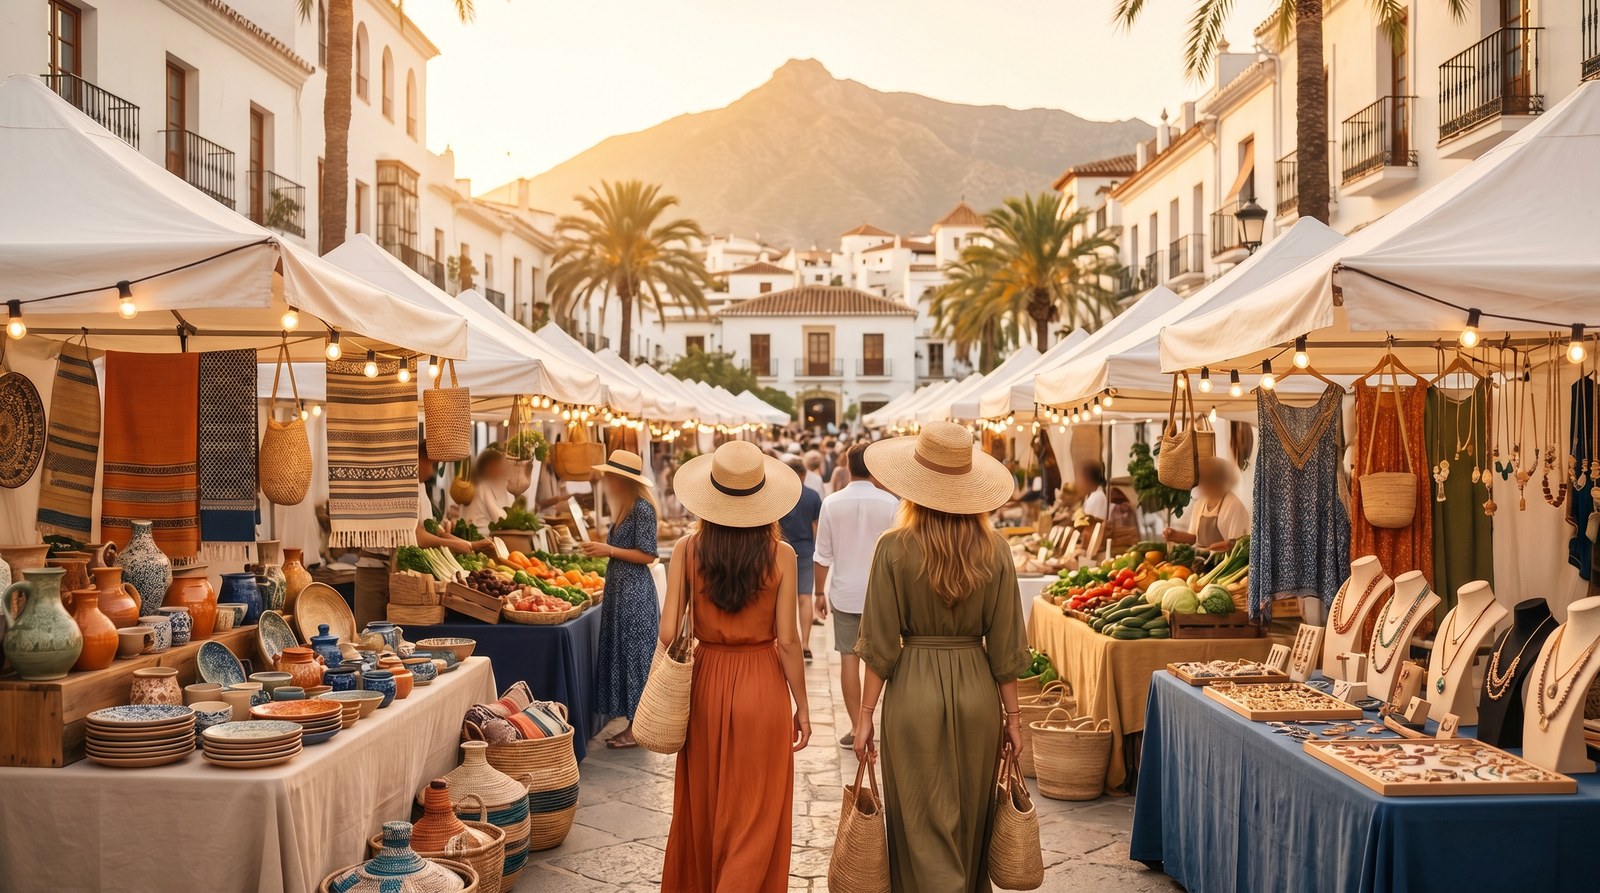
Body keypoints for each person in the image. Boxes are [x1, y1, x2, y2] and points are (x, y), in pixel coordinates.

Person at [851, 422, 1029, 891]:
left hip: (912, 692)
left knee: (916, 817)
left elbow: (880, 645)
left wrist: (865, 714)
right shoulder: (997, 550)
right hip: (977, 693)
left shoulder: (892, 548)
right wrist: (1014, 717)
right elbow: (1007, 646)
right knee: (971, 817)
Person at [660, 441, 810, 892]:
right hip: (763, 686)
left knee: (705, 804)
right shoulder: (782, 555)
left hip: (705, 684)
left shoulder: (687, 549)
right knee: (758, 812)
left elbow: (668, 633)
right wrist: (801, 706)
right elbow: (788, 640)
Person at [814, 443, 900, 748]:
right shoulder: (891, 503)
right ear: (874, 467)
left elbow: (822, 554)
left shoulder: (832, 503)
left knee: (848, 660)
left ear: (848, 467)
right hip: (883, 594)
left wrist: (817, 593)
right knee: (884, 661)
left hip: (845, 592)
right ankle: (879, 724)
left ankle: (856, 726)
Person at [584, 449, 660, 749]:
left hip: (635, 595)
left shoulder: (642, 508)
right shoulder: (627, 507)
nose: (606, 481)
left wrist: (608, 550)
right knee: (626, 655)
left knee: (635, 658)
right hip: (622, 591)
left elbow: (648, 554)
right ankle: (633, 724)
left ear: (622, 480)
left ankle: (636, 728)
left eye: (610, 476)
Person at [778, 458, 823, 662]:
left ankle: (781, 641)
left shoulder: (778, 495)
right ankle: (804, 644)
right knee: (804, 598)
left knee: (778, 599)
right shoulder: (812, 496)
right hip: (805, 550)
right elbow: (816, 527)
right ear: (804, 475)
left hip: (779, 552)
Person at [1164, 455, 1250, 552]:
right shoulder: (1200, 503)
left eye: (1203, 479)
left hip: (1222, 564)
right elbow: (1194, 538)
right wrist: (1175, 536)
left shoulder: (1234, 506)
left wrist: (1213, 549)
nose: (1199, 484)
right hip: (1201, 561)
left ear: (1216, 481)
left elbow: (1238, 546)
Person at [459, 448, 512, 532]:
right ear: (487, 467)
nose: (501, 470)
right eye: (498, 466)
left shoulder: (474, 485)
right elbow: (498, 519)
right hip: (480, 535)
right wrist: (509, 514)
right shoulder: (483, 487)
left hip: (468, 533)